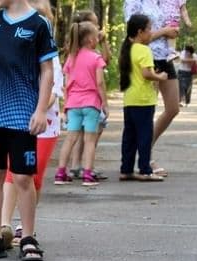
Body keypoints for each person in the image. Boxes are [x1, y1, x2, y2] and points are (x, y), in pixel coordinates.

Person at [0, 0, 56, 261]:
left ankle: (28, 237)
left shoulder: (39, 24)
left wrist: (41, 110)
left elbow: (47, 70)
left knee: (22, 177)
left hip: (22, 116)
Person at [0, 0, 62, 249]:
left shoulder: (51, 56)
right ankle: (3, 227)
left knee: (32, 178)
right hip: (14, 122)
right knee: (11, 173)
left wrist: (35, 111)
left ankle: (26, 228)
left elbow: (53, 92)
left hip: (45, 125)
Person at [124, 0, 181, 177]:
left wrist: (171, 31)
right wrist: (164, 31)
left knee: (173, 108)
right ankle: (146, 160)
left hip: (165, 56)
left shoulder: (158, 2)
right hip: (147, 58)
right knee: (147, 111)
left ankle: (146, 150)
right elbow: (134, 36)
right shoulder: (133, 3)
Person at [53, 21, 108, 187]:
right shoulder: (96, 58)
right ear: (91, 40)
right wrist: (104, 103)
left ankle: (61, 173)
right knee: (90, 140)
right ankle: (88, 174)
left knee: (70, 139)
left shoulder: (71, 58)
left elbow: (67, 84)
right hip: (91, 104)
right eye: (97, 36)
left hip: (73, 104)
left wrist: (66, 105)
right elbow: (99, 82)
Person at [64, 10, 112, 181]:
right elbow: (100, 76)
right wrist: (104, 102)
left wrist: (104, 42)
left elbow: (107, 59)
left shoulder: (86, 47)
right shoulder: (84, 47)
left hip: (76, 100)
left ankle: (79, 166)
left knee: (81, 133)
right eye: (95, 24)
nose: (98, 27)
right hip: (91, 97)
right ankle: (83, 167)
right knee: (89, 134)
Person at [119, 15, 168, 182]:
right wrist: (161, 76)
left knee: (129, 137)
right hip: (144, 100)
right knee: (145, 136)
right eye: (149, 29)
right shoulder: (144, 50)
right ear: (140, 32)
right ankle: (145, 170)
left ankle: (126, 169)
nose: (151, 32)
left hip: (130, 99)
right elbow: (147, 74)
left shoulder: (128, 48)